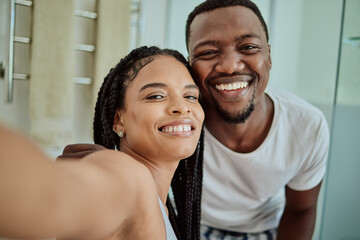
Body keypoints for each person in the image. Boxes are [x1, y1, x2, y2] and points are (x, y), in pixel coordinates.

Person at [61, 0, 330, 239]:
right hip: (192, 226)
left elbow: (302, 209)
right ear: (192, 64)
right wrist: (109, 165)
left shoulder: (306, 126)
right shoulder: (136, 175)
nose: (229, 65)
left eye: (248, 46)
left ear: (268, 55)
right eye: (208, 52)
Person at [0, 46, 204, 240]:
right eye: (156, 96)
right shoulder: (128, 178)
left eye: (190, 96)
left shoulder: (162, 207)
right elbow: (45, 197)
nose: (182, 107)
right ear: (118, 120)